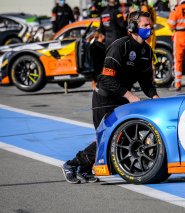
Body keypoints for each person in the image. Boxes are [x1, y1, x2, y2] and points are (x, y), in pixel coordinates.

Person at [61, 11, 159, 184]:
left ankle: (83, 168)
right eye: (145, 25)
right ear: (133, 27)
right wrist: (129, 95)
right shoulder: (120, 46)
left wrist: (155, 97)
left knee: (119, 137)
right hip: (104, 98)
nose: (149, 28)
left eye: (149, 25)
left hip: (122, 98)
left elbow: (145, 81)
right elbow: (106, 78)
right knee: (107, 138)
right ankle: (72, 164)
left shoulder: (147, 51)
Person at [89, 24, 106, 89]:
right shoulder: (100, 47)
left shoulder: (93, 45)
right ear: (101, 36)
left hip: (95, 71)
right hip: (100, 71)